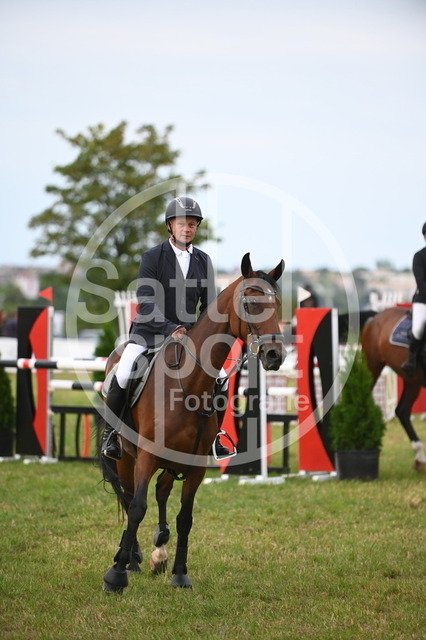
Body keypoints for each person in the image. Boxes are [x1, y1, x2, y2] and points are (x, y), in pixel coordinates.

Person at [102, 196, 231, 460]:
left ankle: (215, 435)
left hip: (188, 339)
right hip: (149, 333)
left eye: (192, 224)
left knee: (221, 377)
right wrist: (170, 327)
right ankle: (110, 434)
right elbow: (146, 300)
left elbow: (209, 306)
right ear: (170, 226)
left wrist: (202, 332)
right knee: (124, 372)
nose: (187, 229)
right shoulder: (152, 257)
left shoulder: (203, 260)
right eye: (182, 223)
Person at [401, 222, 426, 377]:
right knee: (418, 329)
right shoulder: (419, 256)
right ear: (424, 236)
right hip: (423, 300)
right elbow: (421, 282)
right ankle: (411, 360)